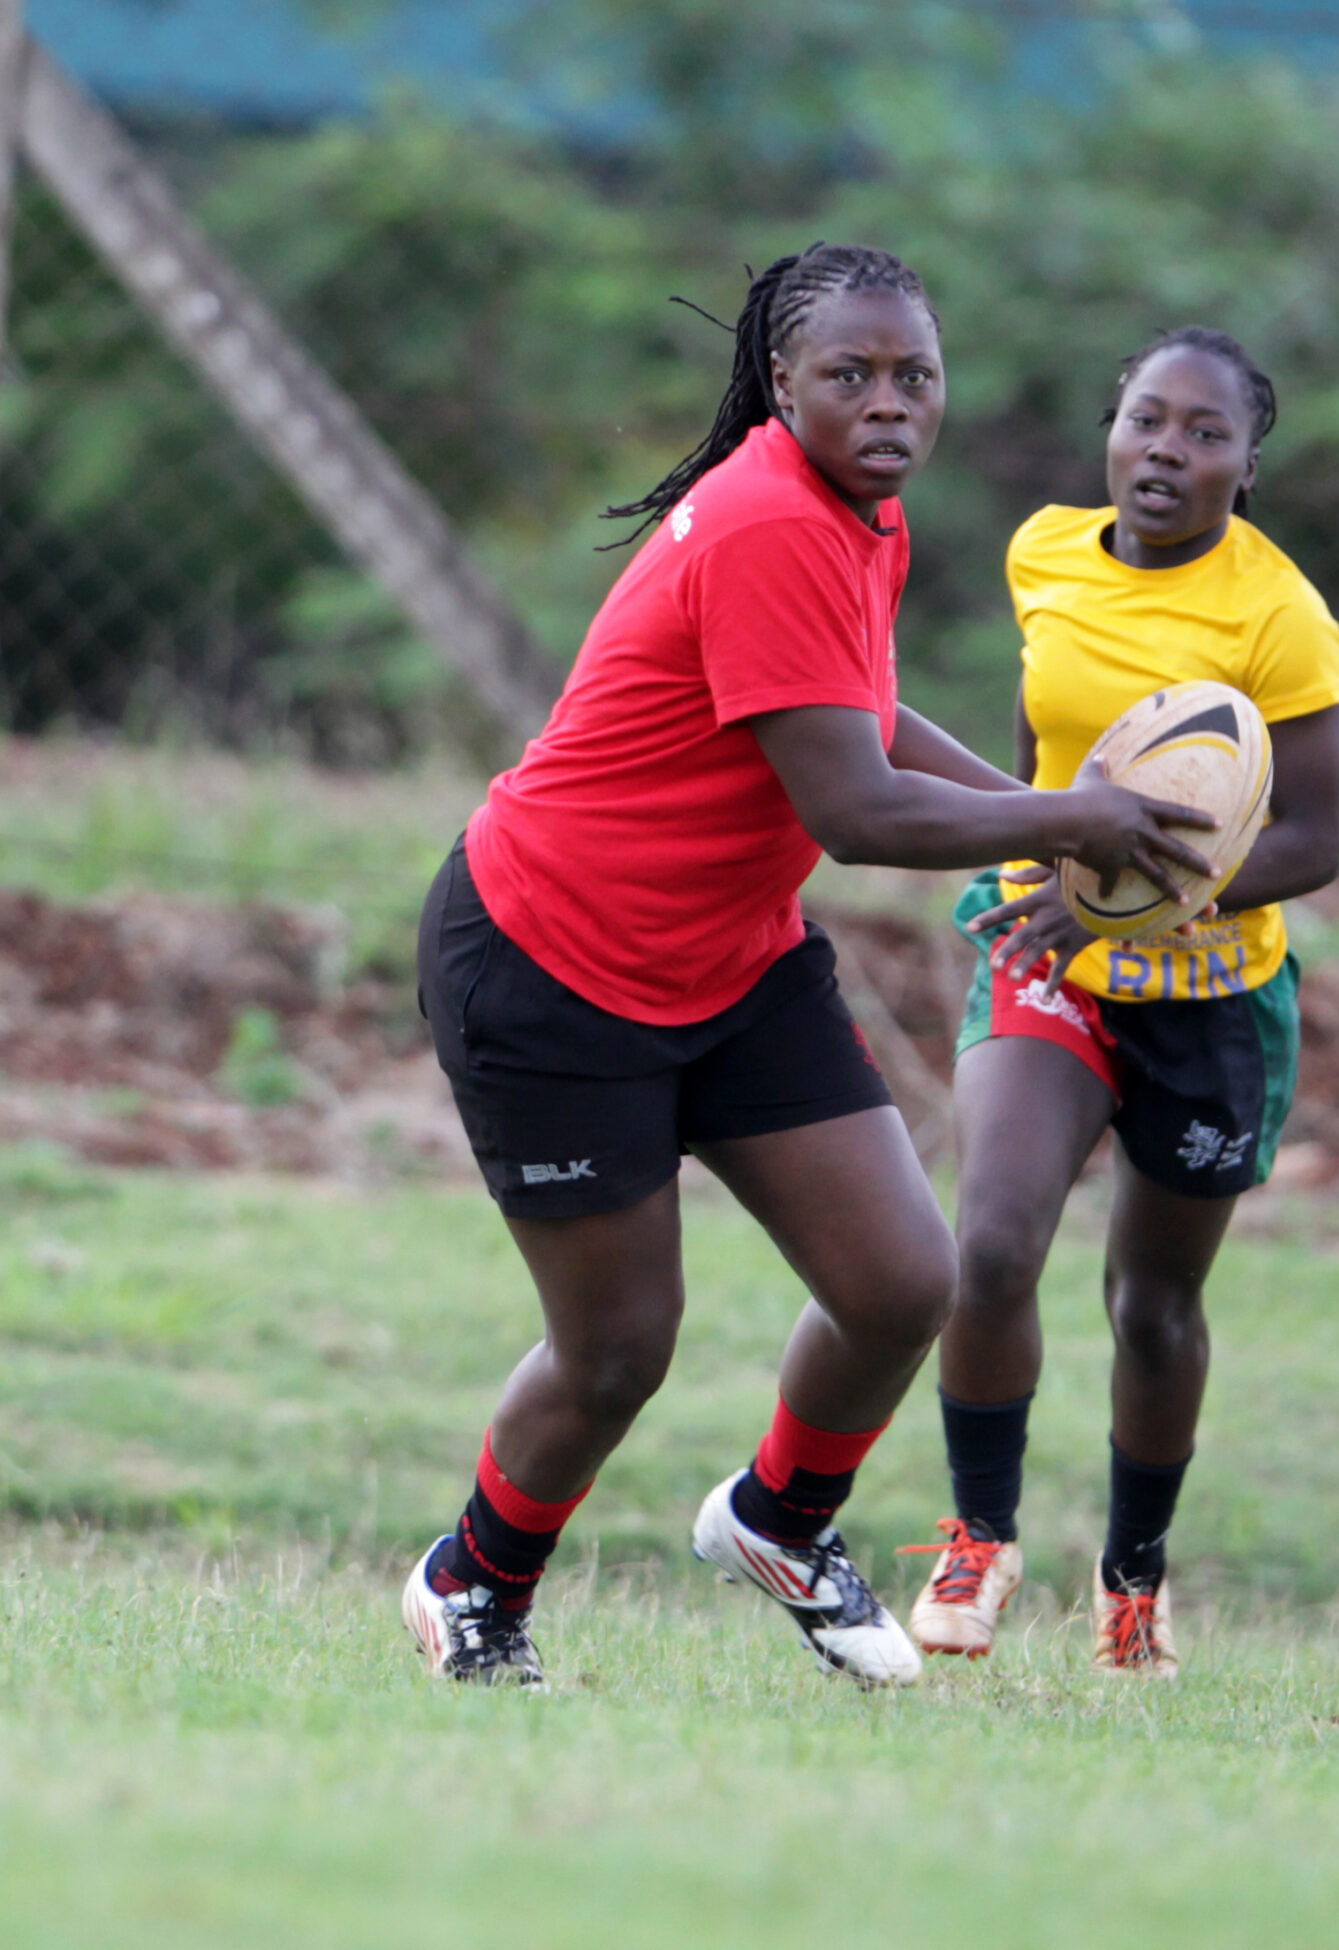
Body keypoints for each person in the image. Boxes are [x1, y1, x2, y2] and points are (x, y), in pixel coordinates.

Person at [402, 244, 1216, 1690]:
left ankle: (781, 1520)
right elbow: (854, 811)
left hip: (730, 959)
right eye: (851, 373)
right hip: (553, 959)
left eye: (917, 374)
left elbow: (876, 721)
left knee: (907, 1278)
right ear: (783, 385)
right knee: (617, 1352)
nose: (890, 401)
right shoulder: (769, 521)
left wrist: (1039, 842)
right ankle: (473, 1581)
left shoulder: (862, 514)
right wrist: (1066, 811)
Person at [900, 327, 1339, 1676]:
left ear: (1247, 463)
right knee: (988, 1245)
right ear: (1111, 430)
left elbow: (1317, 839)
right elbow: (1062, 753)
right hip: (1049, 952)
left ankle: (1135, 1583)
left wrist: (1145, 890)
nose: (1168, 449)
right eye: (1147, 421)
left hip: (1211, 996)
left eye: (1204, 431)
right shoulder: (1044, 551)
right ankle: (977, 1537)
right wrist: (1044, 851)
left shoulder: (1280, 615)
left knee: (1151, 1305)